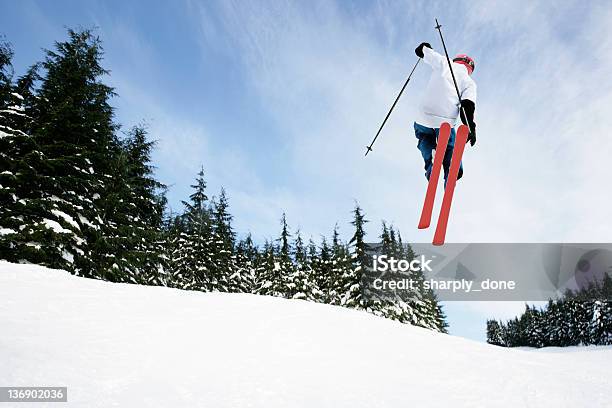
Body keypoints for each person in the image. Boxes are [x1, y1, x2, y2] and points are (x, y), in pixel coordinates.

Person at [413, 42, 477, 184]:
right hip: (444, 120)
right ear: (470, 69)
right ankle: (451, 171)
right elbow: (467, 106)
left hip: (423, 116)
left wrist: (425, 47)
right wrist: (470, 127)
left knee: (424, 138)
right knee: (450, 146)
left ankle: (431, 162)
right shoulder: (469, 82)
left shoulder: (444, 62)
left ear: (456, 60)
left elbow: (421, 51)